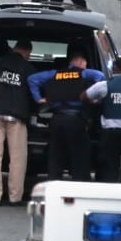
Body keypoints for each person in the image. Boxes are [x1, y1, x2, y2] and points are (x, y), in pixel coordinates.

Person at [28, 49, 105, 181]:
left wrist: (38, 98)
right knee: (80, 157)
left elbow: (32, 79)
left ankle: (54, 184)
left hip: (57, 120)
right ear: (80, 62)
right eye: (85, 64)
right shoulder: (84, 73)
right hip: (76, 121)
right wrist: (93, 95)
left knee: (55, 156)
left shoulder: (54, 74)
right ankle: (79, 186)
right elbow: (101, 76)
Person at [0, 39, 35, 206]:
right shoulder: (28, 68)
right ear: (27, 52)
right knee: (17, 158)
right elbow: (32, 94)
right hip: (16, 116)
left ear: (15, 48)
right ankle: (15, 197)